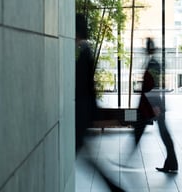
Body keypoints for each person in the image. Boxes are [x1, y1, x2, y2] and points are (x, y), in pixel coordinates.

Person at [74, 13, 124, 192]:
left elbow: (86, 86)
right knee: (87, 157)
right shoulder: (85, 50)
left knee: (84, 156)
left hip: (81, 113)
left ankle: (115, 188)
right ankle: (114, 188)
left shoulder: (85, 51)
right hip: (83, 112)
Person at [131, 38, 178, 173]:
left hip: (152, 105)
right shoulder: (153, 62)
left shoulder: (153, 64)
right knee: (159, 133)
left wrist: (155, 106)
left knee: (160, 133)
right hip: (152, 105)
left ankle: (127, 159)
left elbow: (154, 86)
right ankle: (172, 164)